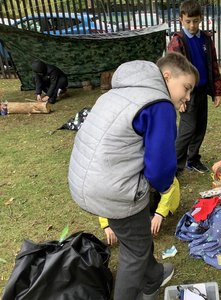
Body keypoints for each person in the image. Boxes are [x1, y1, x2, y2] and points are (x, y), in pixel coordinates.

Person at [68, 52, 199, 300]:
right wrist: (163, 186)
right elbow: (161, 166)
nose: (188, 97)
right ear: (167, 75)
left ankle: (153, 277)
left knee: (135, 236)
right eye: (187, 87)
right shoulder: (159, 103)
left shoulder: (118, 92)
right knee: (135, 251)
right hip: (113, 188)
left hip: (87, 181)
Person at [167, 0, 221, 174]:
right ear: (181, 19)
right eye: (188, 21)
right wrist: (179, 97)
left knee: (200, 127)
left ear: (201, 19)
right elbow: (173, 72)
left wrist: (217, 91)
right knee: (187, 129)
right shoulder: (178, 41)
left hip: (202, 91)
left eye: (196, 21)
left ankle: (193, 159)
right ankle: (173, 167)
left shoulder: (205, 38)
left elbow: (213, 65)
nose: (192, 25)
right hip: (187, 94)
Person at [99, 177, 181, 245]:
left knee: (146, 228)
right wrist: (107, 225)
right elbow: (104, 198)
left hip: (157, 198)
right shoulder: (115, 175)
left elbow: (169, 189)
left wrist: (159, 215)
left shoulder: (155, 167)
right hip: (138, 197)